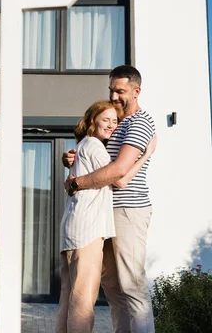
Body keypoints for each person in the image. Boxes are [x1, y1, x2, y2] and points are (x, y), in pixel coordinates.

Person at [63, 65, 157, 333]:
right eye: (112, 90)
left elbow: (117, 172)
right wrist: (71, 159)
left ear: (136, 91)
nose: (115, 96)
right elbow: (96, 162)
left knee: (132, 286)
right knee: (113, 289)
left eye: (121, 91)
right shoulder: (114, 122)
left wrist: (78, 183)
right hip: (103, 212)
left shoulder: (140, 122)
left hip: (128, 209)